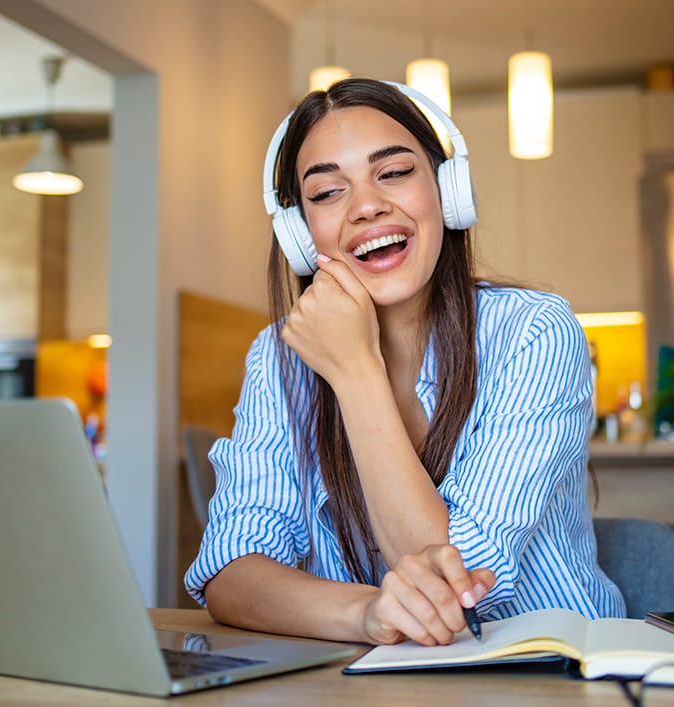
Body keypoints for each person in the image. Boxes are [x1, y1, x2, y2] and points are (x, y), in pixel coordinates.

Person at [185, 78, 623, 647]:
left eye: (392, 173)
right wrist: (367, 614)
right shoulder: (278, 358)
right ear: (298, 232)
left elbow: (459, 590)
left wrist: (354, 371)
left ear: (448, 189)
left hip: (549, 683)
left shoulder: (533, 333)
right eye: (326, 193)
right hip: (373, 699)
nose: (368, 206)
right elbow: (230, 570)